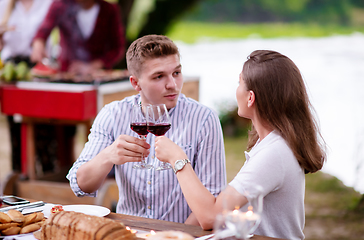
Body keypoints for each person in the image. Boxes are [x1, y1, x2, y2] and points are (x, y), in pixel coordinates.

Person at [155, 50, 327, 239]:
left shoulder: (274, 153)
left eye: (239, 83)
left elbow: (210, 216)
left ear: (250, 97)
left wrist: (177, 159)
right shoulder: (271, 144)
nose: (236, 90)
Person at [66, 35, 226, 224]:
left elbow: (214, 199)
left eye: (176, 73)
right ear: (135, 83)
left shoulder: (204, 119)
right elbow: (80, 185)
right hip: (129, 233)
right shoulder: (113, 114)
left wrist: (172, 236)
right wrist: (108, 155)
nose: (172, 85)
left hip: (182, 235)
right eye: (159, 76)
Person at [0, 0, 54, 172]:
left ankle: (47, 171)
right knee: (16, 126)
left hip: (38, 70)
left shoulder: (47, 3)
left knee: (43, 126)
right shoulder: (4, 5)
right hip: (12, 72)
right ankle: (19, 173)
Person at [30, 0, 125, 75]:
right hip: (66, 75)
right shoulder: (60, 6)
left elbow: (118, 48)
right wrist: (38, 44)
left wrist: (94, 66)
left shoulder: (109, 10)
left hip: (100, 78)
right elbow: (43, 30)